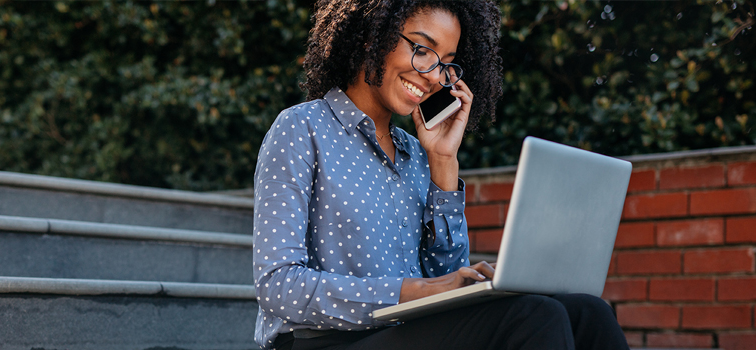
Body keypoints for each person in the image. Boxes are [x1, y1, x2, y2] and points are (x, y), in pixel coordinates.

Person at [252, 0, 630, 349]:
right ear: (370, 36)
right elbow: (277, 285)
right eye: (422, 50)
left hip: (407, 332)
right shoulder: (302, 128)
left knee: (589, 312)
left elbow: (448, 277)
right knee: (534, 316)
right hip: (325, 341)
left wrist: (443, 160)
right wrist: (416, 291)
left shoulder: (416, 153)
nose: (434, 76)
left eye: (446, 62)